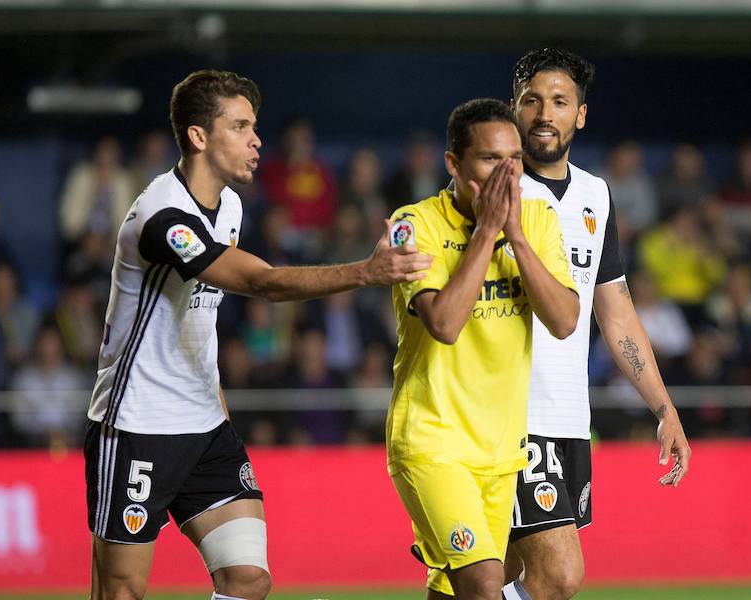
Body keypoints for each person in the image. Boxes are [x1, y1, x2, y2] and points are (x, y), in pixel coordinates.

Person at [84, 69, 432, 600]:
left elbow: (197, 324)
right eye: (241, 126)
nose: (257, 140)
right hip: (137, 425)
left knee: (247, 580)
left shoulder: (231, 207)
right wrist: (366, 271)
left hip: (205, 426)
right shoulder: (162, 217)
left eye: (255, 126)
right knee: (122, 590)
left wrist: (218, 405)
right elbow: (260, 283)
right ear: (198, 137)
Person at [498, 48, 692, 600]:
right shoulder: (491, 186)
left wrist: (662, 406)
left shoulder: (595, 195)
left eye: (560, 102)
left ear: (580, 115)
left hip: (568, 419)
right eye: (532, 100)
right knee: (559, 578)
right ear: (514, 107)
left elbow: (615, 310)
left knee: (489, 580)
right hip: (510, 417)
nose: (544, 113)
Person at [388, 98, 579, 600]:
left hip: (501, 450)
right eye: (491, 160)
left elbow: (564, 321)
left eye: (514, 159)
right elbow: (446, 324)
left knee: (452, 592)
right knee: (484, 584)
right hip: (432, 441)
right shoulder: (413, 224)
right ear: (453, 164)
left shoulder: (536, 221)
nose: (507, 173)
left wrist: (514, 235)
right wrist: (489, 231)